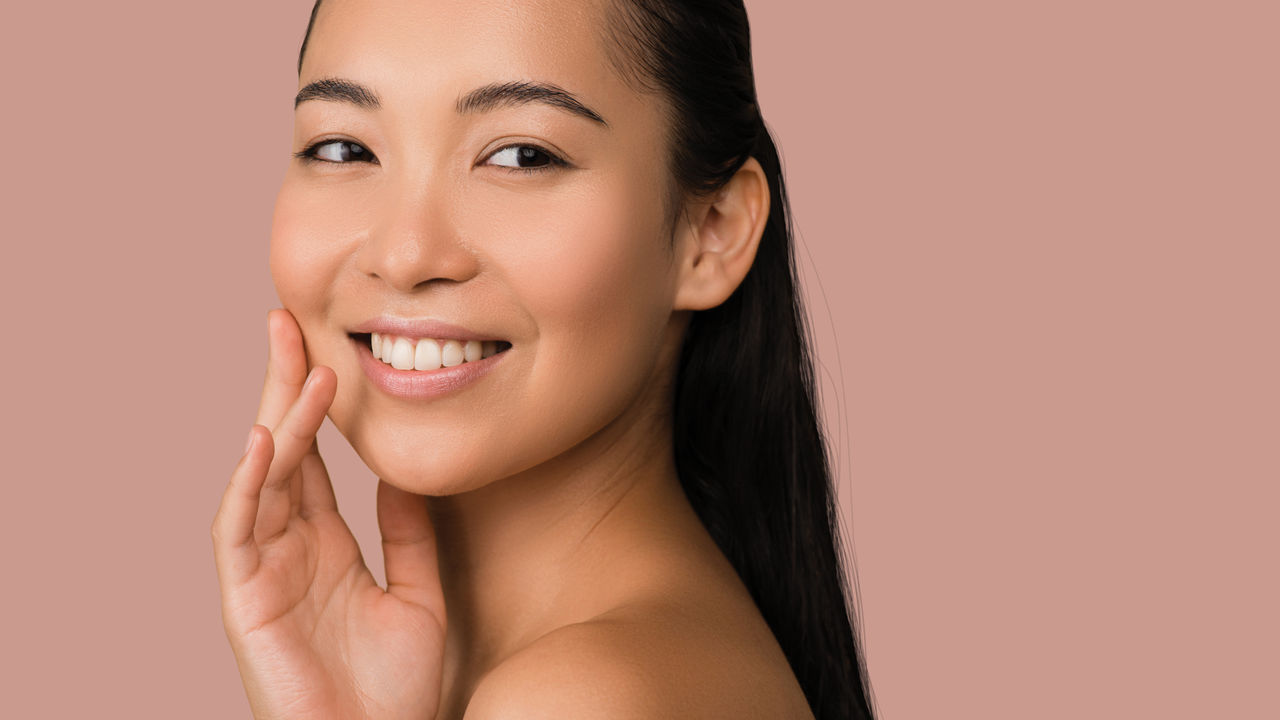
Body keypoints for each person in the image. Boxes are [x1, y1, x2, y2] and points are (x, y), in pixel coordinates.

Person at [210, 0, 876, 717]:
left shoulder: (580, 697)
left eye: (522, 155)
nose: (404, 255)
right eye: (343, 148)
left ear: (711, 230)